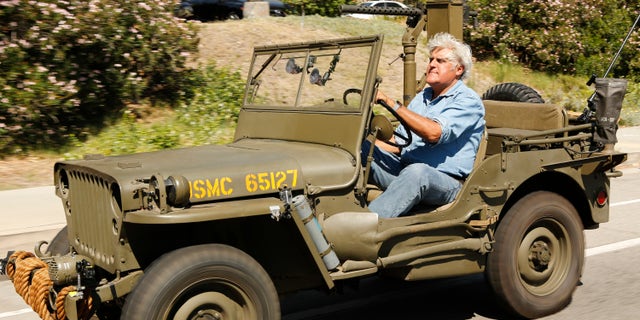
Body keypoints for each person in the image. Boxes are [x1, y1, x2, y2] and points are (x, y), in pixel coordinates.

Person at [365, 32, 485, 218]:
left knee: (418, 172)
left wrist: (390, 103)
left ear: (458, 69)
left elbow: (434, 133)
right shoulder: (423, 97)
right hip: (405, 170)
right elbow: (398, 142)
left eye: (440, 61)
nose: (432, 65)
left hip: (445, 182)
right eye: (431, 59)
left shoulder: (468, 101)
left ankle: (364, 227)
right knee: (358, 149)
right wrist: (363, 143)